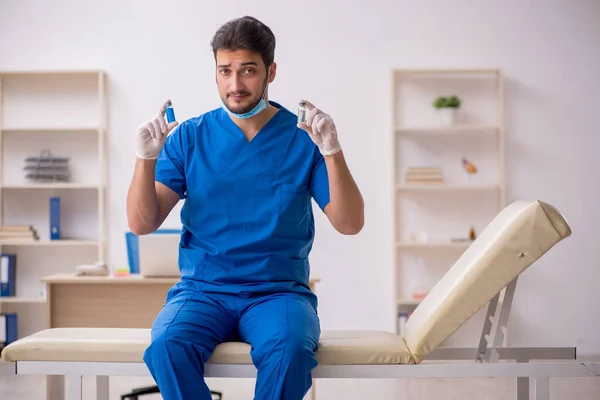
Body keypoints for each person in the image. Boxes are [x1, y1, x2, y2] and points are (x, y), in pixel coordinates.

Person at [126, 15, 364, 400]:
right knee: (167, 346)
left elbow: (350, 223)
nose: (235, 85)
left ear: (271, 71)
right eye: (225, 71)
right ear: (216, 73)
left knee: (289, 351)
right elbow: (142, 223)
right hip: (202, 292)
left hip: (278, 293)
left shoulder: (304, 139)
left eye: (248, 71)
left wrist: (332, 151)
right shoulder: (190, 137)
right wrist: (145, 159)